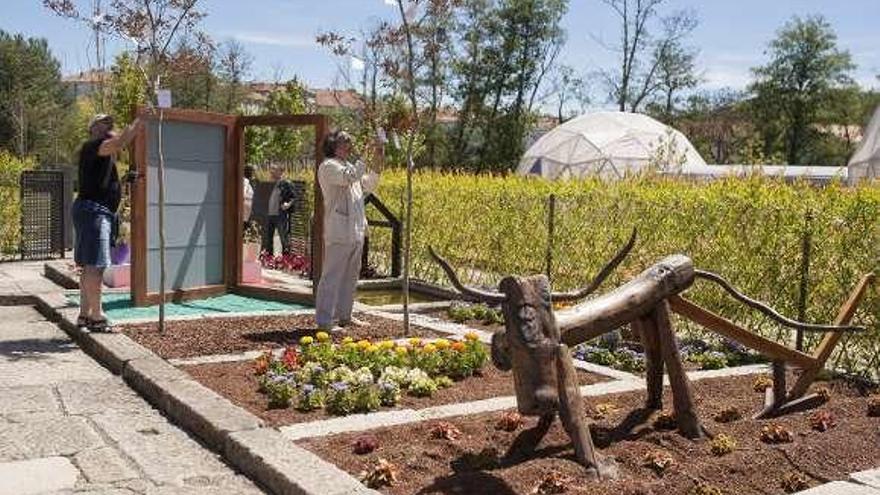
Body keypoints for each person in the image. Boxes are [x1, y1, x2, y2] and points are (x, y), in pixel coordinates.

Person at [73, 113, 142, 332]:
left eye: (111, 123)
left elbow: (102, 184)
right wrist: (140, 121)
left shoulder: (102, 155)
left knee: (89, 266)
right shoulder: (93, 146)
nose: (109, 126)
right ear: (92, 128)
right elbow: (120, 141)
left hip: (93, 210)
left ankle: (84, 315)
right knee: (96, 265)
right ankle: (98, 317)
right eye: (103, 123)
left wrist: (124, 180)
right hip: (95, 212)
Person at [315, 130, 382, 331]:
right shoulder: (328, 166)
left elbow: (369, 184)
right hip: (338, 231)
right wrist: (367, 152)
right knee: (332, 276)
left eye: (349, 141)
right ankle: (325, 321)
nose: (349, 143)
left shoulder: (349, 166)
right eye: (344, 140)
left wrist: (378, 156)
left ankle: (345, 316)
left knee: (351, 277)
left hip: (355, 231)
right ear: (333, 144)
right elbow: (350, 177)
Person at [262, 164, 295, 255]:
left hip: (280, 215)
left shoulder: (286, 184)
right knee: (268, 239)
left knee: (283, 237)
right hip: (269, 215)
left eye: (275, 170)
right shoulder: (268, 184)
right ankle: (268, 258)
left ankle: (286, 259)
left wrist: (288, 204)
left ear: (281, 172)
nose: (272, 172)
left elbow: (294, 197)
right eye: (271, 170)